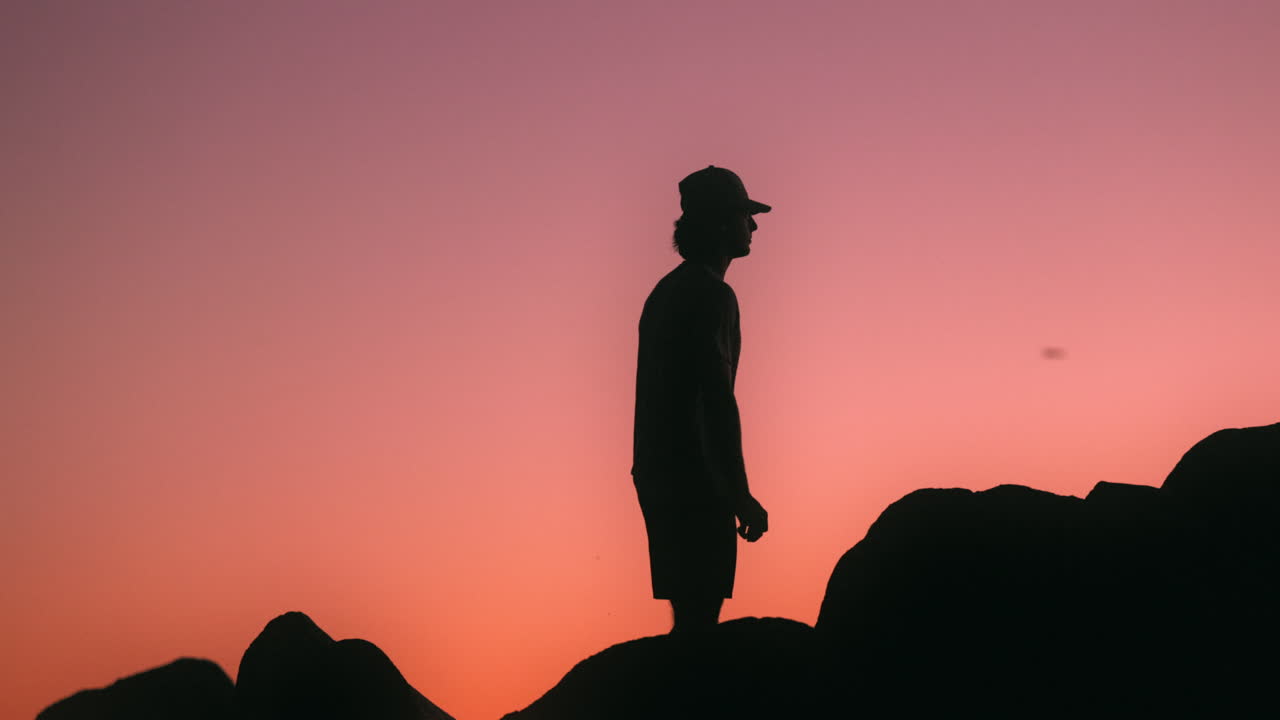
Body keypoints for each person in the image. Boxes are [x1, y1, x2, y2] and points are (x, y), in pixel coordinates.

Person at [631, 165, 771, 634]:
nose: (753, 227)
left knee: (689, 615)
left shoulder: (667, 292)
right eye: (745, 216)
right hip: (696, 476)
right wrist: (739, 493)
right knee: (700, 620)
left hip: (660, 472)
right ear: (722, 223)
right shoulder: (712, 295)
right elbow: (716, 399)